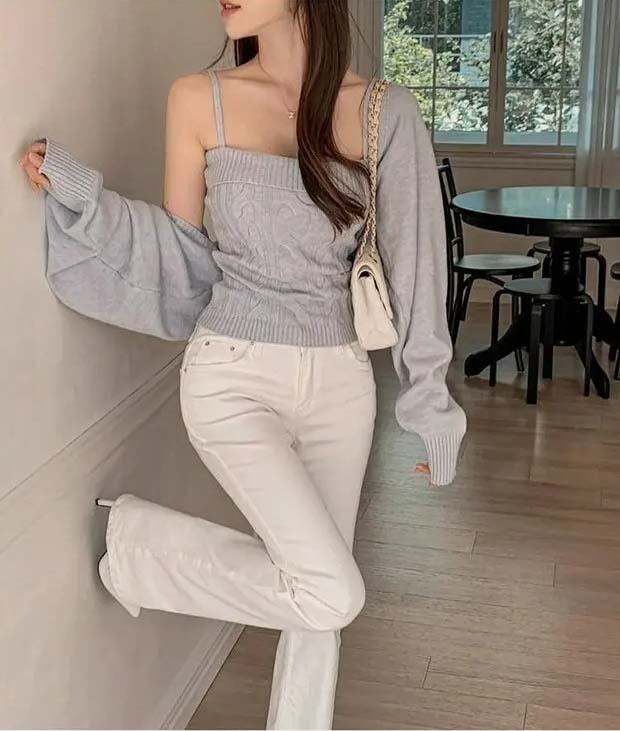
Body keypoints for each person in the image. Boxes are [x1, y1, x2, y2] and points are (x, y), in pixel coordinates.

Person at [18, 0, 467, 727]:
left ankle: (141, 555)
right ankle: (136, 548)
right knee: (331, 590)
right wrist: (86, 201)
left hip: (340, 384)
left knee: (316, 612)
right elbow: (180, 260)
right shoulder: (199, 99)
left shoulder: (385, 112)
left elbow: (418, 262)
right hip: (230, 375)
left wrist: (430, 399)